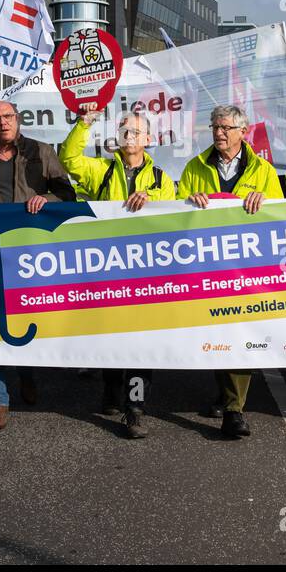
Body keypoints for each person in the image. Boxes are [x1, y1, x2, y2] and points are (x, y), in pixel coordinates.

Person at [0, 100, 77, 430]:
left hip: (29, 253)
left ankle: (26, 372)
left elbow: (68, 194)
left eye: (7, 117)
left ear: (18, 120)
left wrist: (46, 199)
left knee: (23, 320)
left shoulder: (40, 152)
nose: (2, 123)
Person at [60, 103, 177, 438]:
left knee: (142, 347)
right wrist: (84, 123)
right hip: (108, 273)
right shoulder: (102, 171)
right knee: (111, 339)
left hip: (145, 277)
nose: (130, 135)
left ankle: (135, 407)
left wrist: (153, 202)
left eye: (136, 130)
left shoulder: (161, 180)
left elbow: (172, 224)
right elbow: (69, 159)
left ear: (148, 138)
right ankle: (111, 390)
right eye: (125, 129)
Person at [178, 104, 284, 438]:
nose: (218, 133)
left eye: (225, 127)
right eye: (214, 126)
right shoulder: (194, 167)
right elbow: (176, 211)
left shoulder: (264, 170)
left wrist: (263, 199)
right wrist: (187, 201)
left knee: (238, 332)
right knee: (215, 334)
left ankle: (234, 410)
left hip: (246, 267)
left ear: (243, 131)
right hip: (208, 265)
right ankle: (225, 396)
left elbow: (279, 214)